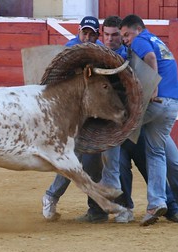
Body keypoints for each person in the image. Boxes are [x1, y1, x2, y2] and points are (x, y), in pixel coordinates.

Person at [42, 16, 124, 223]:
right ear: (78, 32)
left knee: (92, 162)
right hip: (73, 117)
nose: (87, 37)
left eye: (91, 34)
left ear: (97, 35)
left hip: (93, 115)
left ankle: (95, 211)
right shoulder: (70, 50)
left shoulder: (100, 52)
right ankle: (52, 196)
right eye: (84, 33)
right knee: (74, 159)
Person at [119, 14, 178, 226]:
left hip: (157, 101)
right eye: (123, 36)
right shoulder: (158, 40)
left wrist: (153, 85)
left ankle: (119, 202)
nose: (126, 39)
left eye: (127, 34)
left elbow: (151, 59)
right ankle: (157, 202)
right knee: (155, 152)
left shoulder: (140, 40)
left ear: (138, 29)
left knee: (115, 131)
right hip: (173, 103)